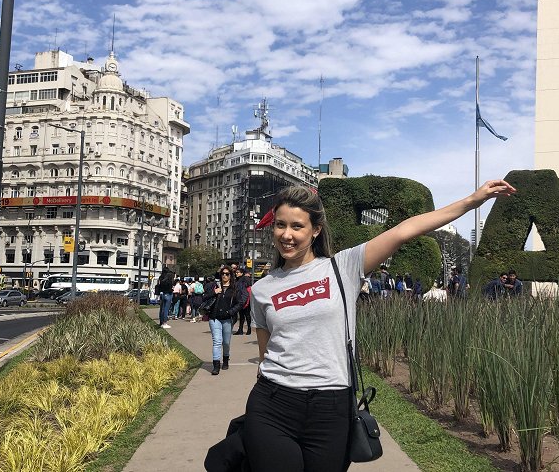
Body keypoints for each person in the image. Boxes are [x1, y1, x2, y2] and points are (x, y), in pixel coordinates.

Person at [245, 179, 515, 471]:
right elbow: (265, 354)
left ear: (316, 230)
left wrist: (472, 200)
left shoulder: (343, 267)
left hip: (330, 406)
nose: (286, 235)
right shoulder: (264, 288)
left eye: (297, 226)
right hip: (273, 403)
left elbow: (404, 230)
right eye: (280, 225)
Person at [203, 268, 247, 375]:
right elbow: (204, 297)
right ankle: (216, 365)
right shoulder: (214, 286)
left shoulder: (235, 288)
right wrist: (214, 292)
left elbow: (241, 302)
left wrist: (231, 312)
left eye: (227, 274)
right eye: (222, 274)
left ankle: (226, 359)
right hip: (215, 318)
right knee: (217, 341)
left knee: (226, 342)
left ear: (230, 275)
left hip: (228, 318)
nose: (224, 276)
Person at [233, 268, 253, 335]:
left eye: (238, 272)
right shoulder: (237, 280)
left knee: (247, 315)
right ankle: (240, 329)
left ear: (241, 273)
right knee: (241, 315)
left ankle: (249, 329)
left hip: (246, 299)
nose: (236, 274)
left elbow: (246, 287)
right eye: (236, 272)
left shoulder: (245, 279)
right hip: (239, 299)